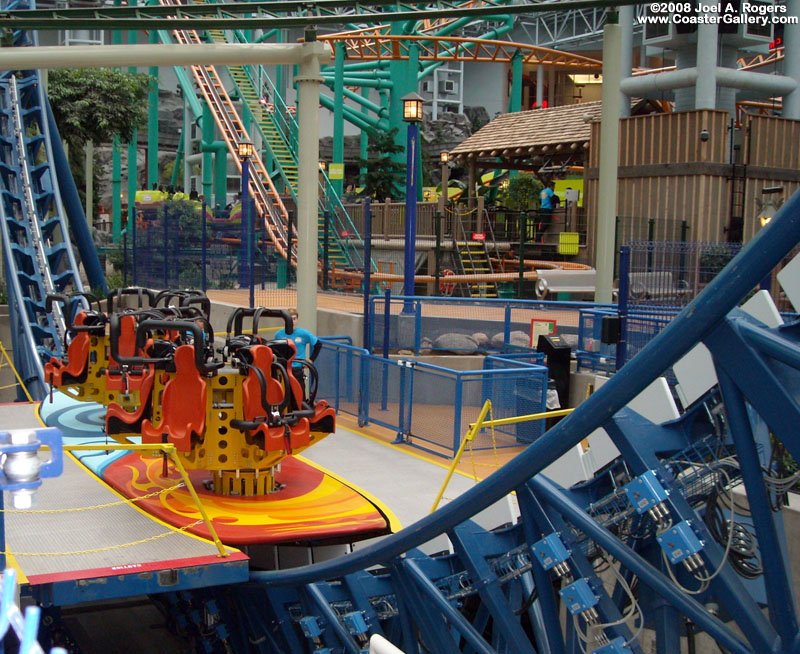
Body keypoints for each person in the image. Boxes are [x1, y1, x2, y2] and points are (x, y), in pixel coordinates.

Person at [274, 308, 321, 401]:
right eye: (290, 319)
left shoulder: (303, 333)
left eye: (294, 319)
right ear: (284, 320)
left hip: (297, 370)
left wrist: (310, 360)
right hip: (283, 370)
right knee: (284, 397)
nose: (292, 322)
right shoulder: (278, 335)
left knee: (299, 398)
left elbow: (318, 345)